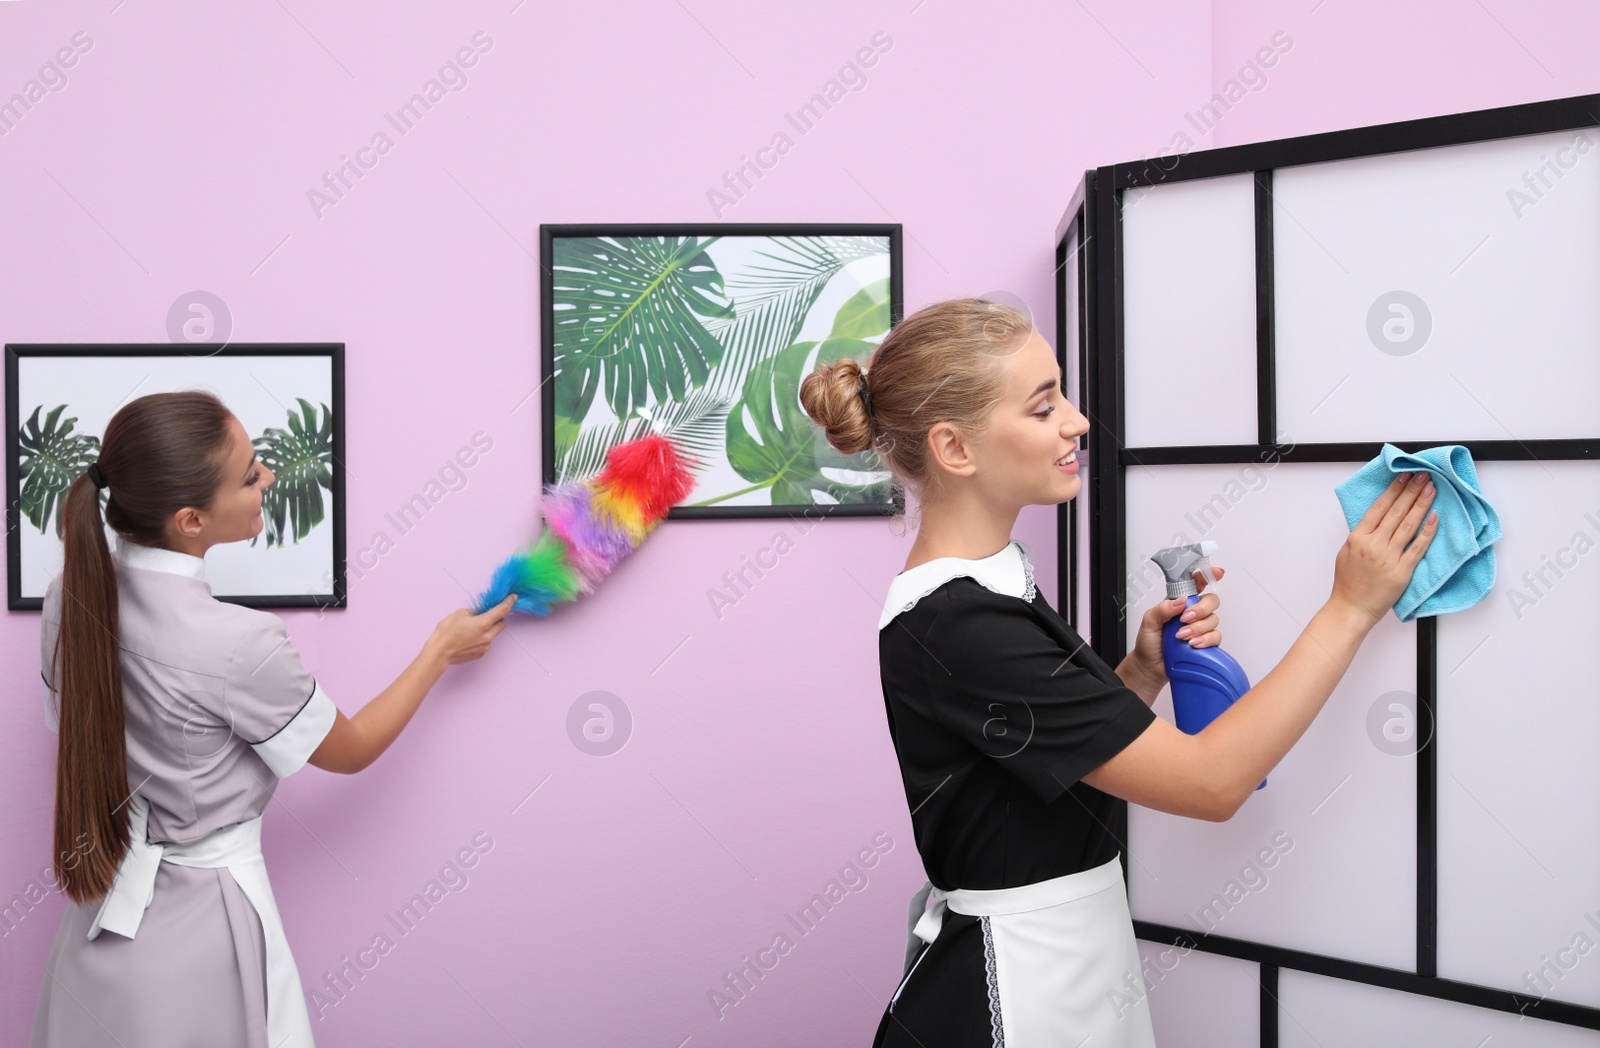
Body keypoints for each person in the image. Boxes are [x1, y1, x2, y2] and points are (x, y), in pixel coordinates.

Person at [798, 298, 1438, 1048]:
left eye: (1061, 393)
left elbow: (1036, 767)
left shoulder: (988, 584)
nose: (1077, 422)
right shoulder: (959, 623)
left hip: (1066, 960)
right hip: (1018, 993)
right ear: (955, 448)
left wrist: (1137, 672)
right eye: (1044, 409)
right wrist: (1350, 609)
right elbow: (1211, 783)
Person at [30, 390, 518, 1048]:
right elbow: (349, 749)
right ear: (190, 521)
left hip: (94, 938)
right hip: (205, 941)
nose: (269, 478)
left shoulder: (68, 596)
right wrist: (439, 651)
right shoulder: (239, 642)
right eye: (250, 473)